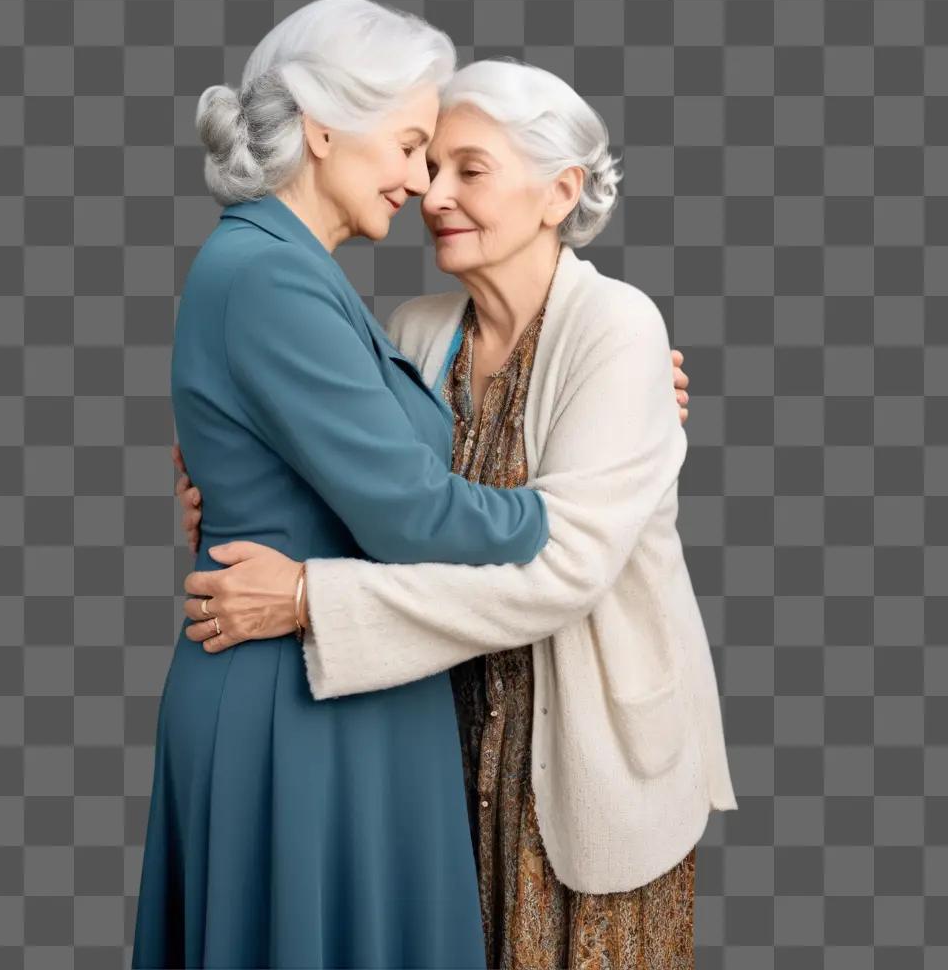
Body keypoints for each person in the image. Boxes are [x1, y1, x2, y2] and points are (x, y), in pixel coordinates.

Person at [174, 59, 734, 970]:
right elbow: (352, 502)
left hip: (583, 768)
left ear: (560, 192)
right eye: (429, 164)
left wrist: (312, 600)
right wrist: (222, 476)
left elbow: (562, 576)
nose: (432, 193)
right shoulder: (413, 333)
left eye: (468, 170)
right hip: (437, 763)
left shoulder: (618, 331)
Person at [131, 0, 562, 970]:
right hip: (299, 707)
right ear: (323, 128)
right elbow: (412, 511)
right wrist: (578, 508)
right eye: (410, 144)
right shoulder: (271, 279)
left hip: (333, 690)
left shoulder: (290, 272)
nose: (421, 178)